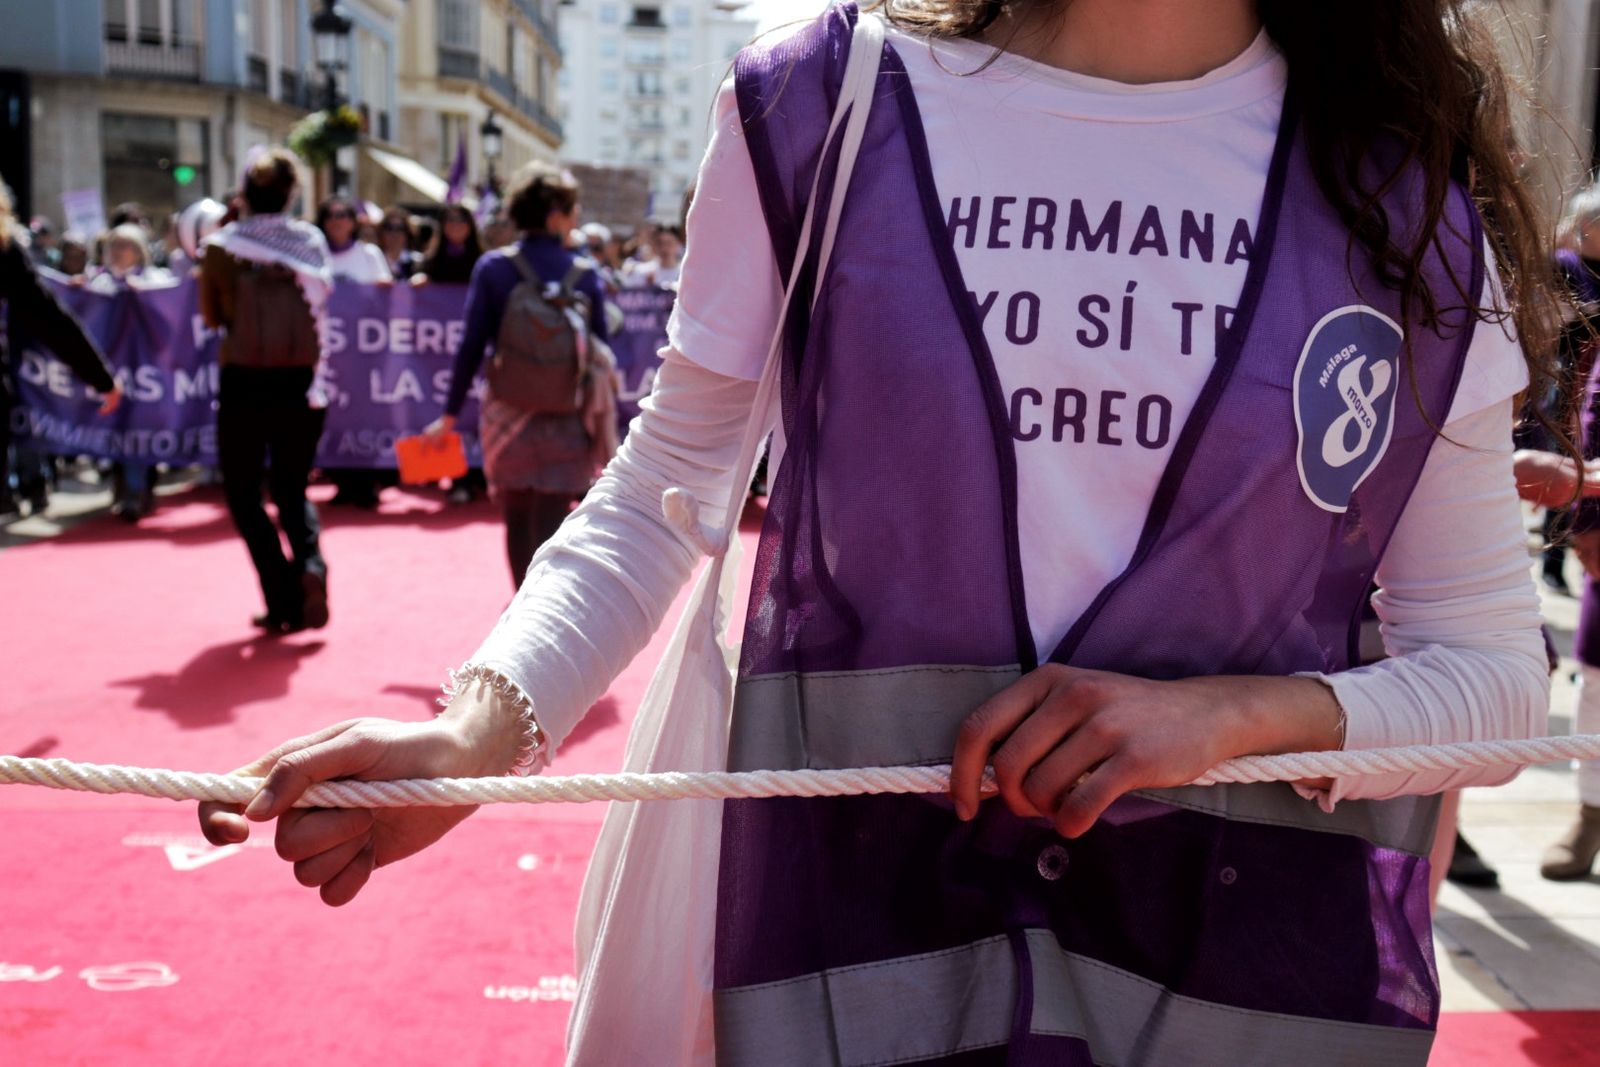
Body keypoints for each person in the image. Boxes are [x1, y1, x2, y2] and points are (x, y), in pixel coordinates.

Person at [201, 3, 1559, 1062]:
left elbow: (1495, 678)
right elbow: (668, 481)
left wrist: (1233, 715)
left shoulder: (1405, 197)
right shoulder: (819, 103)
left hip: (1246, 973)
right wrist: (472, 735)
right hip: (856, 957)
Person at [418, 163, 612, 583]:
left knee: (517, 512)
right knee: (553, 515)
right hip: (567, 412)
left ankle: (521, 606)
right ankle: (545, 606)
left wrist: (449, 414)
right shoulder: (584, 273)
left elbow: (470, 347)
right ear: (556, 214)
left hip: (508, 412)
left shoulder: (493, 268)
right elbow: (600, 349)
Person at [198, 148, 334, 634]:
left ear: (245, 193)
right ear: (292, 193)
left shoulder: (222, 246)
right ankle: (312, 567)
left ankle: (281, 595)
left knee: (243, 492)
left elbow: (212, 316)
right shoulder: (311, 243)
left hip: (244, 381)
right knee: (293, 489)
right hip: (302, 382)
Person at [0, 185, 121, 519]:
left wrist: (99, 376)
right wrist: (101, 377)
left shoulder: (6, 249)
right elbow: (48, 317)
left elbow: (48, 316)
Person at [86, 223, 174, 521]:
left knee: (141, 428)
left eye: (124, 245)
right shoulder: (98, 282)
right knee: (117, 428)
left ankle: (138, 489)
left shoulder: (156, 279)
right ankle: (124, 486)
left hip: (147, 372)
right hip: (112, 371)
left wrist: (145, 298)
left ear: (139, 251)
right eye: (113, 245)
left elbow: (170, 318)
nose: (117, 252)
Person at [316, 196, 390, 509]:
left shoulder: (369, 255)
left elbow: (387, 290)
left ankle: (367, 482)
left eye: (344, 215)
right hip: (326, 351)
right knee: (333, 416)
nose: (338, 221)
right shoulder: (313, 255)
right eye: (331, 215)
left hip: (364, 350)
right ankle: (342, 481)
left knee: (365, 415)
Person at [409, 203, 483, 286]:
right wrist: (420, 278)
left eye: (462, 219)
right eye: (450, 219)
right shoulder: (429, 261)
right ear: (442, 226)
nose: (456, 224)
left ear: (470, 225)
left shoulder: (482, 262)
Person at [377, 207, 421, 281]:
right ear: (381, 232)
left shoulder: (418, 262)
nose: (394, 234)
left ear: (407, 233)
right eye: (389, 228)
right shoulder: (373, 260)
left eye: (400, 228)